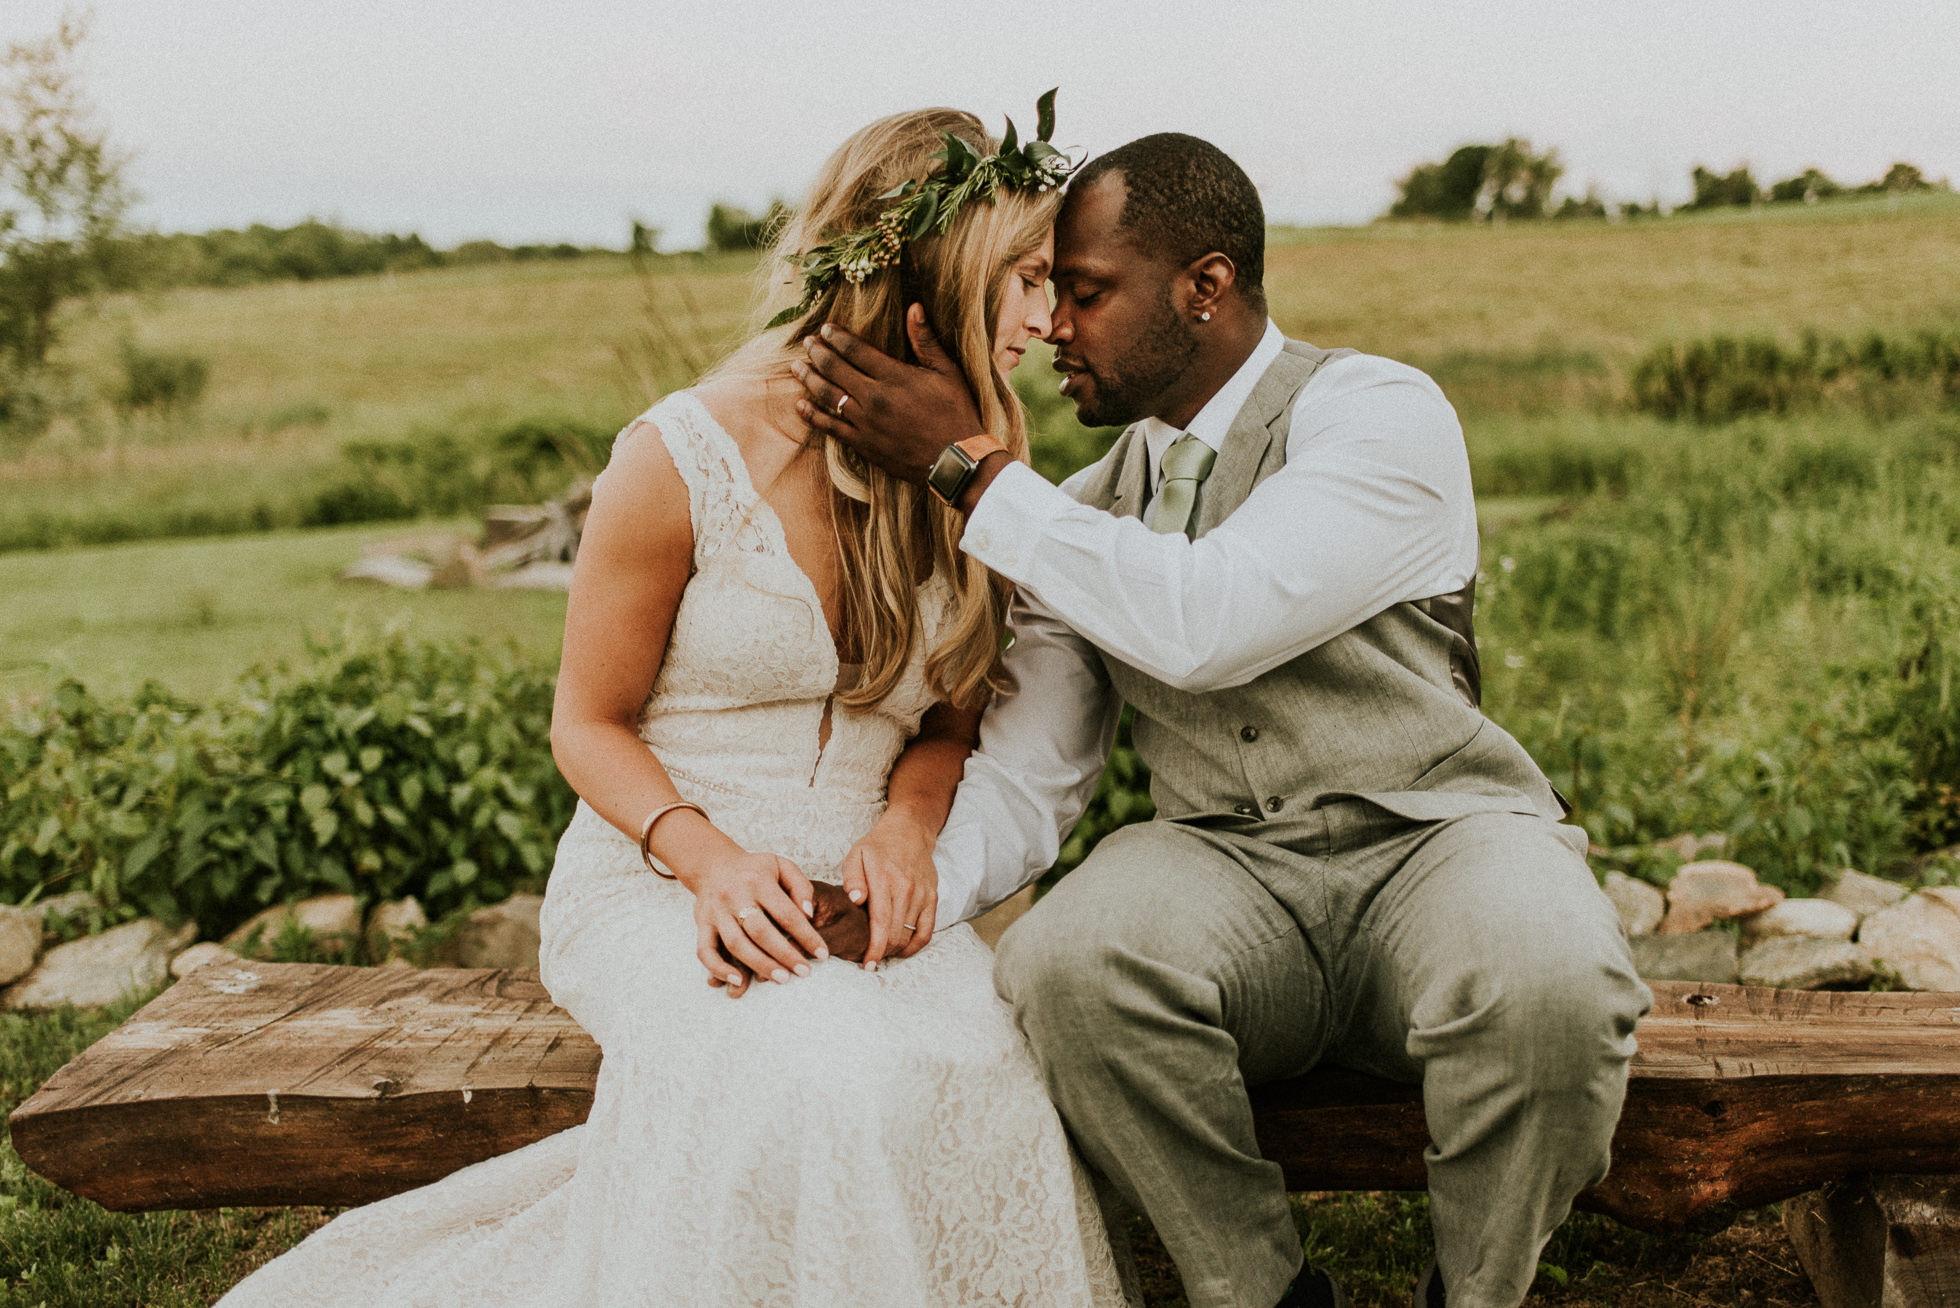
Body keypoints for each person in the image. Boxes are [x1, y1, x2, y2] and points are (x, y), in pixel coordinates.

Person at [217, 104, 1122, 1308]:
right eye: (1020, 278)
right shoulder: (681, 454)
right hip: (668, 872)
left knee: (985, 1068)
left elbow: (947, 725)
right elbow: (585, 724)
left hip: (864, 883)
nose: (1044, 319)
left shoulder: (976, 472)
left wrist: (909, 830)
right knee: (819, 1081)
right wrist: (711, 865)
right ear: (929, 277)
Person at [792, 133, 1653, 1308]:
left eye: (1086, 293)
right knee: (1065, 967)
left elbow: (1214, 616)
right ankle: (1262, 1292)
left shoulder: (1376, 415)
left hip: (1439, 845)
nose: (1050, 329)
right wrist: (907, 888)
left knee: (1557, 986)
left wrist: (970, 469)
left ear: (1203, 287)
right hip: (1230, 879)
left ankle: (1478, 1289)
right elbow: (1034, 774)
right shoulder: (1080, 512)